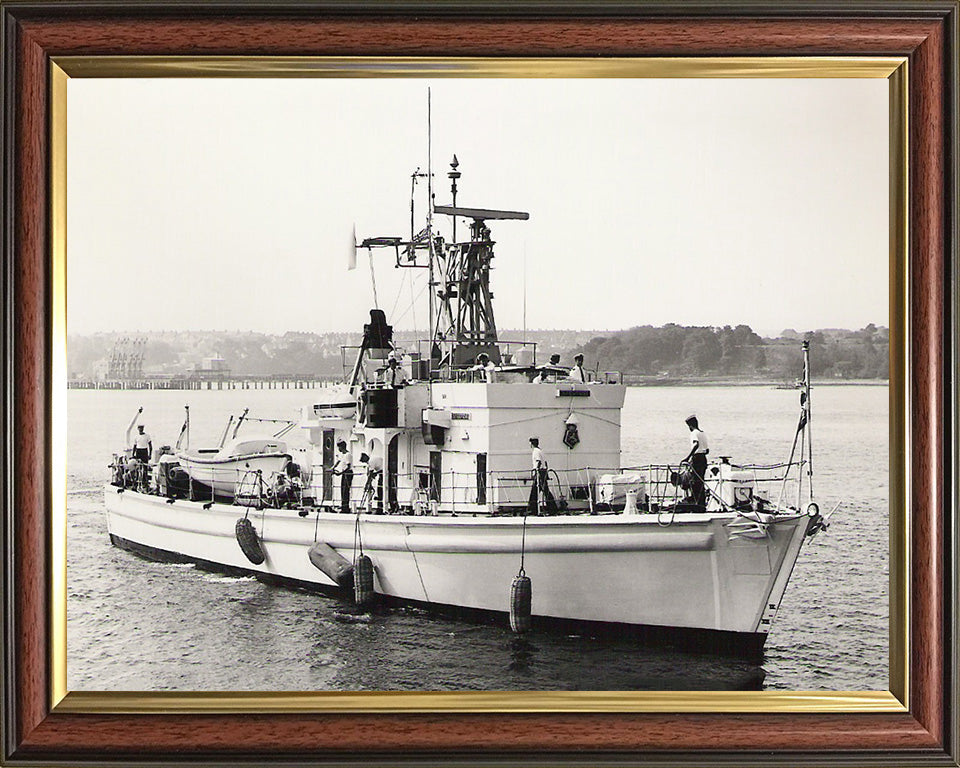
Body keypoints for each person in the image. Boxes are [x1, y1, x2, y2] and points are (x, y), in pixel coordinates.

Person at [682, 415, 710, 509]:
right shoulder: (703, 433)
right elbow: (707, 450)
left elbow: (696, 444)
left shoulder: (694, 433)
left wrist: (688, 457)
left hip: (697, 458)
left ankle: (696, 502)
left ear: (690, 426)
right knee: (700, 481)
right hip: (703, 459)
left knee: (694, 481)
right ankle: (701, 502)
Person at [527, 437, 557, 514]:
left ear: (531, 443)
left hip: (539, 472)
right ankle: (552, 507)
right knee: (545, 490)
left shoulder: (535, 451)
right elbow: (545, 463)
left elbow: (538, 461)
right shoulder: (541, 451)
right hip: (543, 472)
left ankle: (533, 509)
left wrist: (536, 472)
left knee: (534, 491)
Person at [332, 440, 354, 513]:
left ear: (342, 447)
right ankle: (343, 505)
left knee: (345, 490)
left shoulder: (348, 455)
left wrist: (340, 473)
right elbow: (338, 462)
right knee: (342, 490)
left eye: (339, 447)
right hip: (344, 473)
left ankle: (346, 507)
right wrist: (332, 468)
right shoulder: (342, 455)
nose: (338, 449)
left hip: (348, 473)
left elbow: (348, 466)